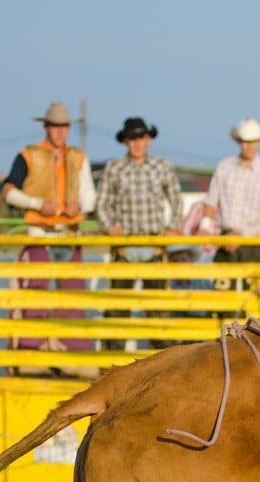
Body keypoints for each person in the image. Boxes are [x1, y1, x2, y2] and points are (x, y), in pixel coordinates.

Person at [2, 102, 97, 374]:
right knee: (34, 296)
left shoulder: (78, 158)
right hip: (39, 233)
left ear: (68, 129)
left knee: (73, 297)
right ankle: (32, 356)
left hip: (68, 233)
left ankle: (71, 357)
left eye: (63, 127)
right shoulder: (29, 155)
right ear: (47, 127)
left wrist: (81, 205)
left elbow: (90, 194)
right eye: (55, 126)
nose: (59, 132)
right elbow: (8, 191)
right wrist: (34, 203)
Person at [95, 117, 182, 349]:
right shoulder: (114, 168)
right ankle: (110, 365)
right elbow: (101, 203)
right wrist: (109, 226)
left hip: (154, 245)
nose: (137, 143)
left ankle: (162, 367)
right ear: (125, 141)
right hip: (124, 246)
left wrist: (173, 227)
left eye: (140, 137)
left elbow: (176, 199)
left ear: (148, 139)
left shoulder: (162, 166)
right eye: (132, 138)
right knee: (117, 310)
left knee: (158, 310)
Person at [201, 117, 260, 308]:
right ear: (239, 142)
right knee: (223, 296)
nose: (249, 146)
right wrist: (205, 225)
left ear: (259, 142)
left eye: (253, 142)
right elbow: (211, 200)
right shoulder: (224, 167)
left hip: (254, 242)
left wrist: (241, 236)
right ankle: (222, 330)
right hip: (226, 238)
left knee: (251, 298)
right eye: (246, 142)